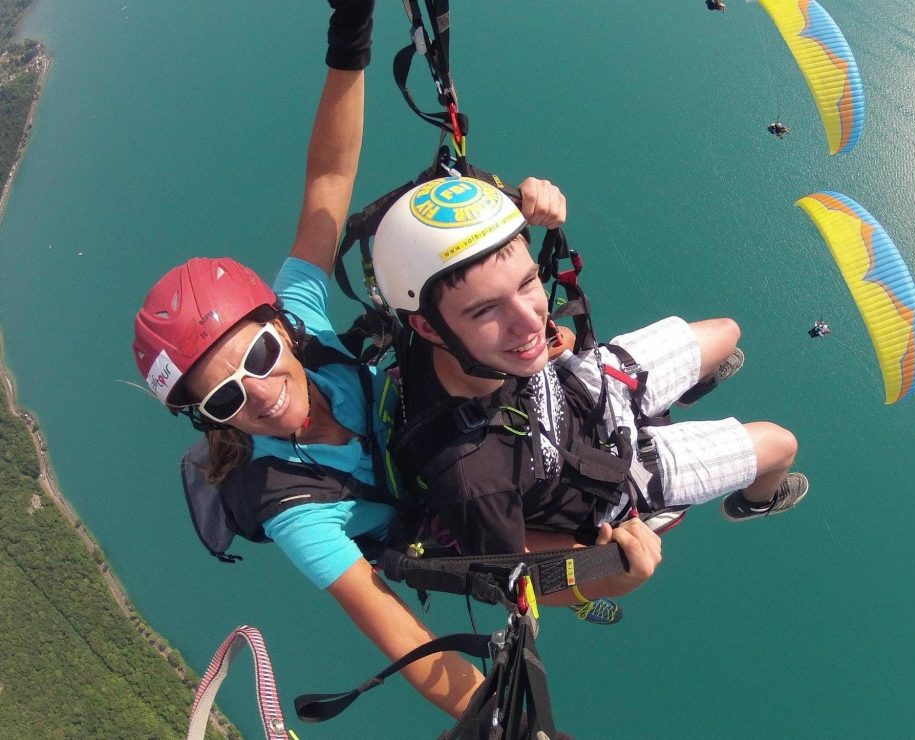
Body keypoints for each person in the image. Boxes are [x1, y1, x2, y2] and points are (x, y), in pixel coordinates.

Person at [132, 1, 659, 720]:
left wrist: (349, 35)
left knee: (533, 372)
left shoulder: (303, 317)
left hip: (440, 418)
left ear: (279, 328)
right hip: (437, 513)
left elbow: (328, 177)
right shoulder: (291, 508)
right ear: (208, 418)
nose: (256, 393)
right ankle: (593, 585)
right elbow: (400, 632)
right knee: (596, 552)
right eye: (223, 399)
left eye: (255, 354)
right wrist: (504, 723)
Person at [370, 176, 810, 569]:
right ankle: (756, 502)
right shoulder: (472, 477)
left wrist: (521, 200)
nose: (529, 320)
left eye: (528, 284)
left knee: (727, 331)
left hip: (583, 390)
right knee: (779, 444)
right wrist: (601, 564)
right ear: (428, 327)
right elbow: (511, 562)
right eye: (487, 310)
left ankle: (685, 390)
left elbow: (442, 227)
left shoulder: (455, 327)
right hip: (613, 474)